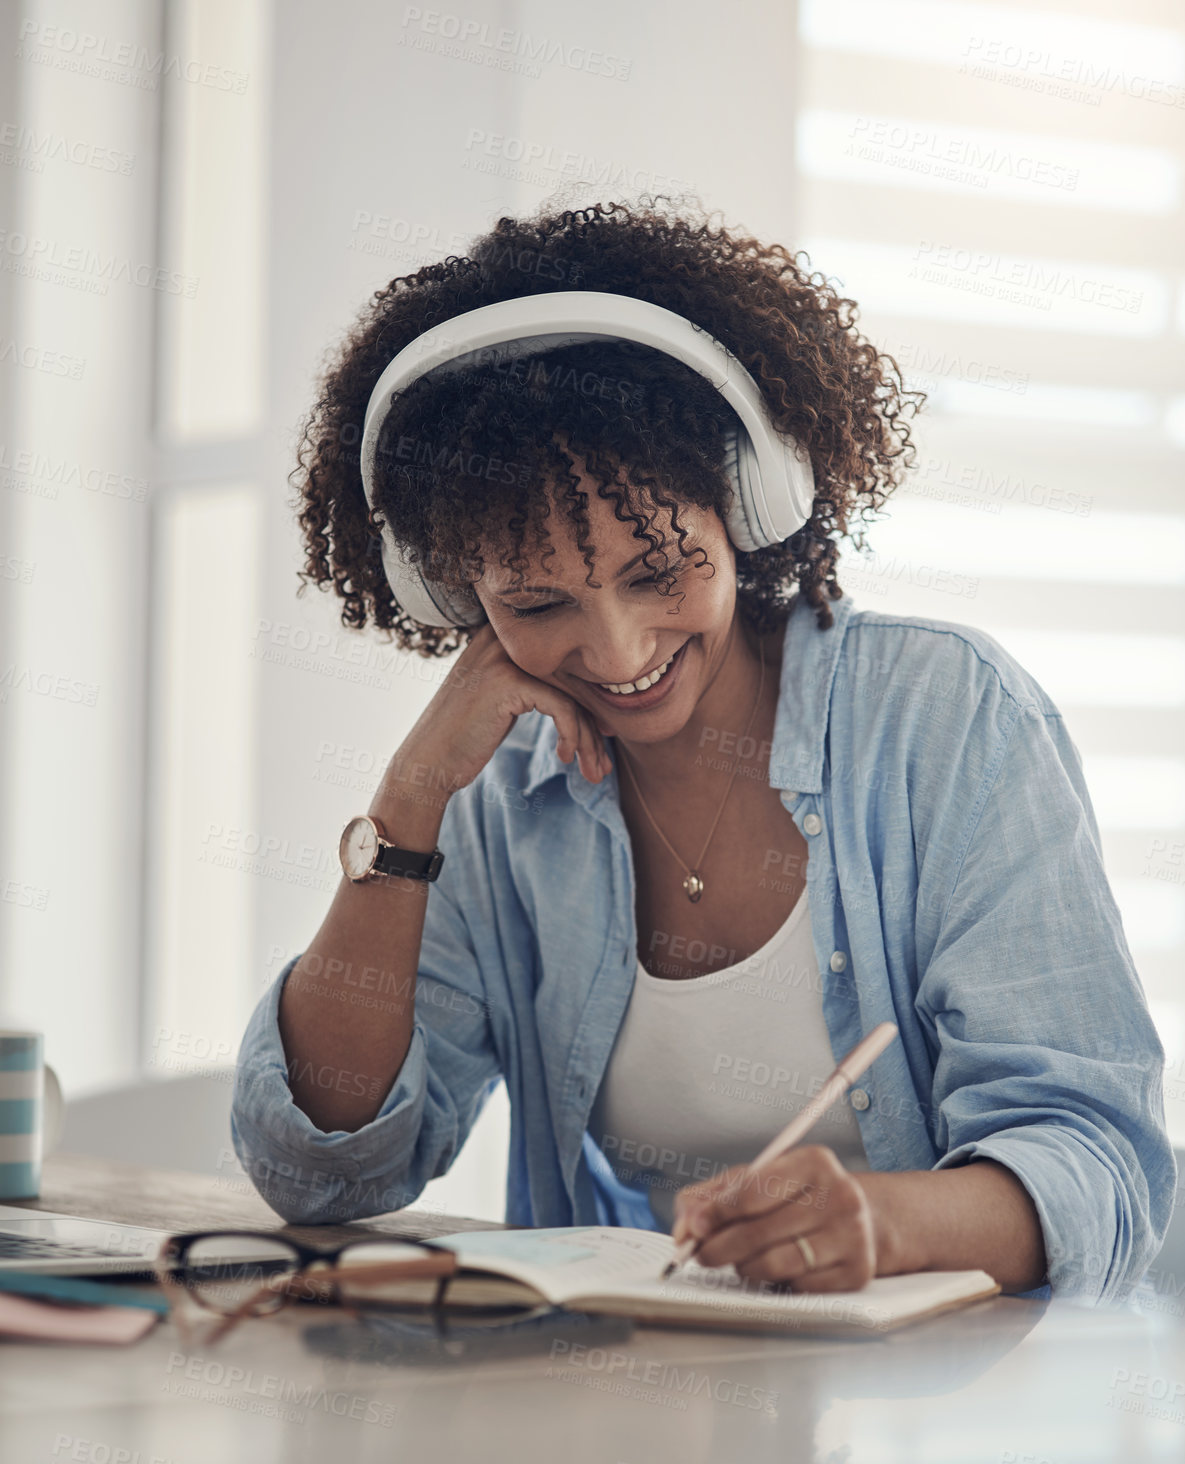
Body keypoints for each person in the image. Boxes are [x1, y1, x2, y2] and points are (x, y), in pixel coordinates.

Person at [230, 196, 1174, 1304]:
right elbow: (324, 1168)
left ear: (748, 501)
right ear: (458, 595)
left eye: (657, 572)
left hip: (951, 1422)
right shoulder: (500, 796)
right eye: (537, 603)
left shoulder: (947, 721)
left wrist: (885, 1221)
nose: (616, 649)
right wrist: (412, 796)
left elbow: (1102, 1167)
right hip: (637, 1411)